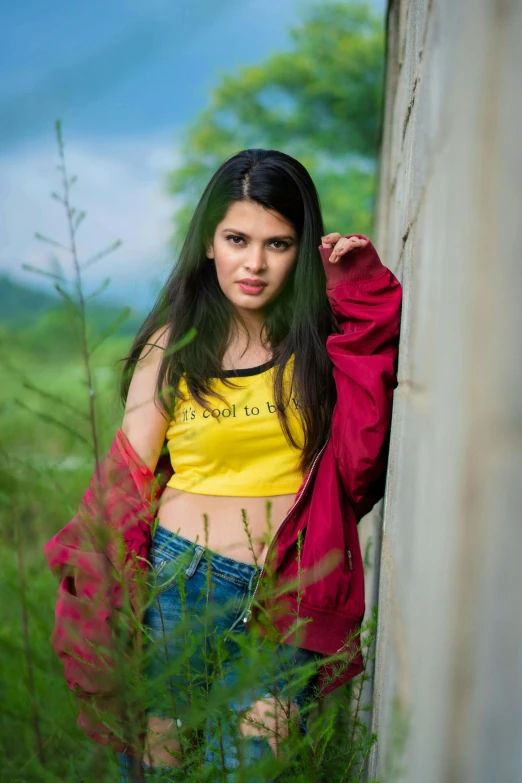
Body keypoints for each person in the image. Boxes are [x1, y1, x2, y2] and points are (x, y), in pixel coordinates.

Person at [44, 147, 403, 781]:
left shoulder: (318, 343)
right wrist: (101, 599)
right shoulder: (174, 343)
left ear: (303, 247)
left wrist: (361, 292)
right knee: (163, 771)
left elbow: (360, 465)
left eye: (279, 243)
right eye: (237, 239)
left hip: (286, 594)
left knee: (249, 767)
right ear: (209, 243)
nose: (255, 263)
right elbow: (125, 477)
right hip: (179, 589)